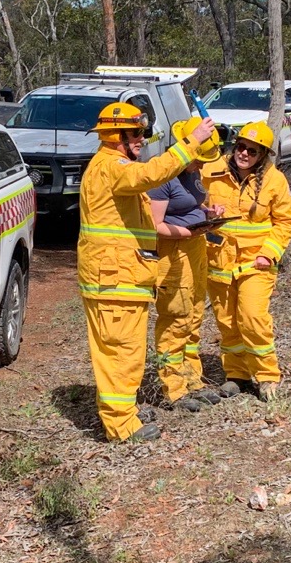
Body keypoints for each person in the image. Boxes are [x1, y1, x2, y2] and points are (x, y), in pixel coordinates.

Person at [78, 102, 215, 442]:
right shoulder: (111, 166)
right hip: (112, 279)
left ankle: (126, 410)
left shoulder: (116, 166)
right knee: (120, 350)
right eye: (136, 133)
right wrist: (192, 140)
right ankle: (121, 426)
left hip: (123, 276)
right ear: (115, 134)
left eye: (143, 132)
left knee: (128, 349)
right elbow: (151, 175)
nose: (142, 139)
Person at [201, 121, 291, 402]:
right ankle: (237, 375)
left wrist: (268, 252)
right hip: (219, 263)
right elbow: (192, 201)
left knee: (253, 318)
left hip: (257, 264)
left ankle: (267, 375)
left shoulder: (274, 180)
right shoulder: (212, 170)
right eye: (241, 147)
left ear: (263, 155)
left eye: (252, 151)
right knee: (227, 322)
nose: (244, 154)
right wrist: (206, 211)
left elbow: (285, 222)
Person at [148, 118, 225, 412]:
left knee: (193, 313)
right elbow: (155, 225)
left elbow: (191, 204)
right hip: (173, 252)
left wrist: (208, 211)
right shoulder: (162, 176)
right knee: (175, 316)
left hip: (196, 246)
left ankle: (192, 379)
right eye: (198, 160)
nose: (200, 167)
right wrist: (188, 231)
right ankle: (173, 387)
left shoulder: (192, 173)